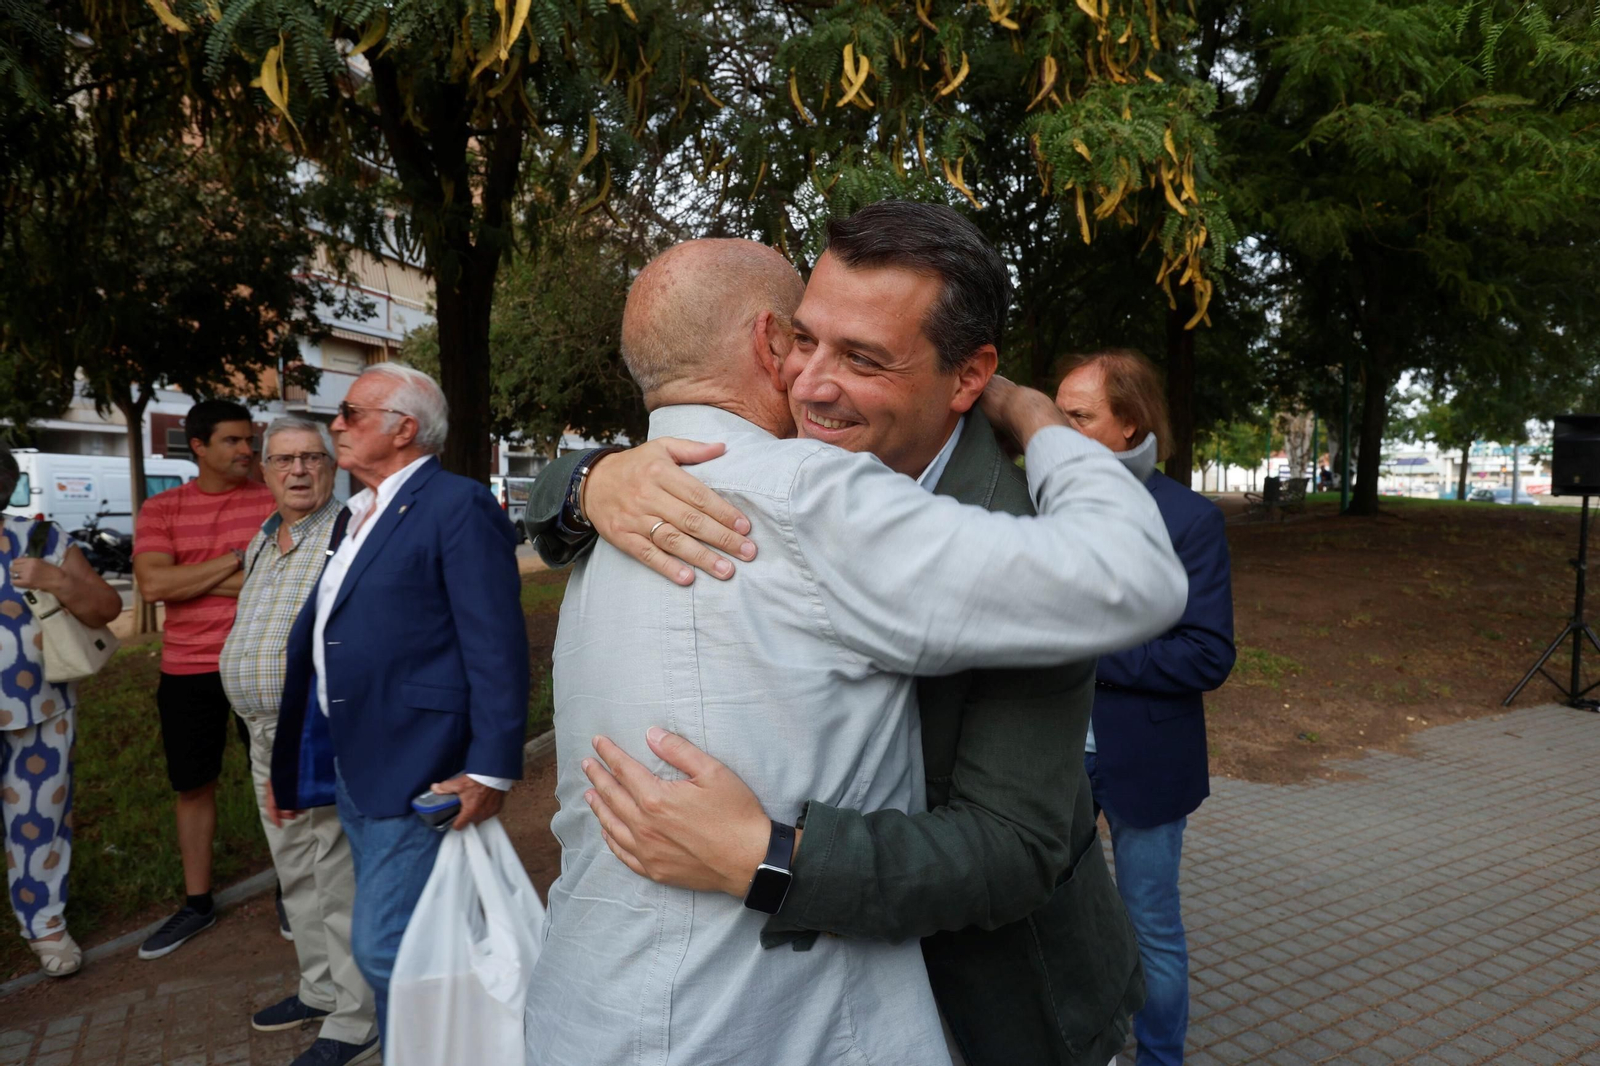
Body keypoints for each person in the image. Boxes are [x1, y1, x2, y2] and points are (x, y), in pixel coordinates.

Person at [524, 222, 1186, 1066]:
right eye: (804, 340)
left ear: (970, 377)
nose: (810, 386)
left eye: (865, 360)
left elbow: (1015, 846)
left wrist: (769, 860)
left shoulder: (1017, 538)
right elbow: (676, 436)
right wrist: (588, 480)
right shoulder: (763, 469)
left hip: (989, 1005)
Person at [268, 363, 528, 1042]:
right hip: (356, 755)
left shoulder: (457, 505)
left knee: (387, 947)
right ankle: (426, 1049)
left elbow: (495, 644)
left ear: (403, 428)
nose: (336, 425)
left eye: (351, 412)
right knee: (411, 937)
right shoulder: (356, 514)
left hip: (422, 759)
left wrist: (490, 768)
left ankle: (464, 1046)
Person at [1056, 349, 1236, 1066]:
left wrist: (1089, 651)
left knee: (1149, 926)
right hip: (1051, 756)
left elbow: (1206, 654)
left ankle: (1159, 1059)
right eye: (1055, 411)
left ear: (1128, 425)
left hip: (1147, 759)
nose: (1056, 428)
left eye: (1078, 416)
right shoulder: (1037, 503)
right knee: (1052, 922)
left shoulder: (1189, 520)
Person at [219, 417, 377, 1066]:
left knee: (334, 870)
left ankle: (356, 1017)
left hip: (317, 730)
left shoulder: (350, 533)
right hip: (263, 733)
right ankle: (319, 987)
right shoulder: (262, 540)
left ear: (332, 466)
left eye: (311, 457)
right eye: (283, 460)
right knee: (294, 868)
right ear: (265, 472)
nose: (298, 471)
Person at [132, 399, 276, 959]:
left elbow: (279, 586)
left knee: (275, 778)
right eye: (233, 441)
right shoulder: (162, 507)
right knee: (193, 785)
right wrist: (237, 561)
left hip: (263, 662)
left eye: (249, 440)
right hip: (187, 669)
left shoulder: (271, 500)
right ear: (198, 446)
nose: (247, 450)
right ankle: (197, 904)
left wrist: (186, 578)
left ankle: (294, 887)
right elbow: (150, 587)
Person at [0, 443, 123, 977]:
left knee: (38, 824)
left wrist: (57, 580)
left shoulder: (40, 539)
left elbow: (107, 609)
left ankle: (45, 927)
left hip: (39, 707)